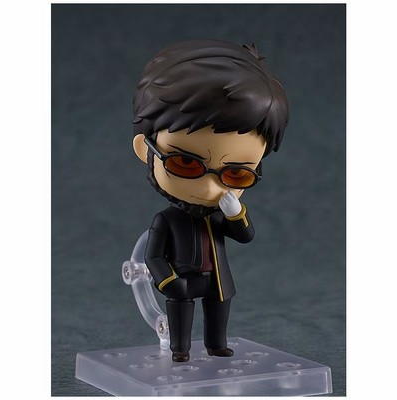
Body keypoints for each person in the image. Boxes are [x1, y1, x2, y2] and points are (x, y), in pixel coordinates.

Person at [132, 39, 289, 362]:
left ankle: (216, 344)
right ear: (146, 150)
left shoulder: (220, 213)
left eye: (236, 173)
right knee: (181, 316)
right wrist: (168, 281)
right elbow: (153, 255)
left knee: (218, 314)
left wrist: (236, 213)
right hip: (181, 280)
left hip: (217, 280)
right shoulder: (166, 220)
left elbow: (245, 236)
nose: (208, 189)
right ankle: (180, 349)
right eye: (185, 163)